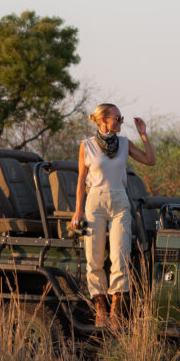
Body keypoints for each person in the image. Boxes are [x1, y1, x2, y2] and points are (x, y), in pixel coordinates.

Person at [71, 103, 156, 328]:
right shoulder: (86, 145)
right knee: (94, 256)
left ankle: (116, 308)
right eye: (117, 118)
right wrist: (78, 210)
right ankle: (100, 307)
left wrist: (144, 135)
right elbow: (81, 180)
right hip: (95, 200)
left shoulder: (125, 144)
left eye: (121, 118)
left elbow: (150, 161)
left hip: (119, 200)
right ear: (104, 120)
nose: (121, 122)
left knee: (120, 255)